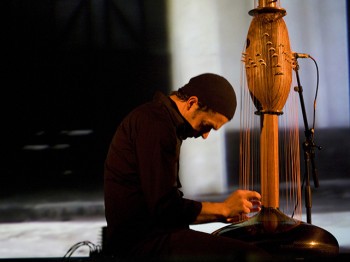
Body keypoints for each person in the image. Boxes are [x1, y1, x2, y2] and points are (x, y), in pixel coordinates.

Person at [103, 73, 270, 261]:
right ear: (191, 103)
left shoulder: (159, 120)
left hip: (152, 237)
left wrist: (222, 213)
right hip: (141, 243)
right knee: (252, 256)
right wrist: (223, 208)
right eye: (207, 126)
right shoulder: (155, 124)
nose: (205, 136)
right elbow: (164, 209)